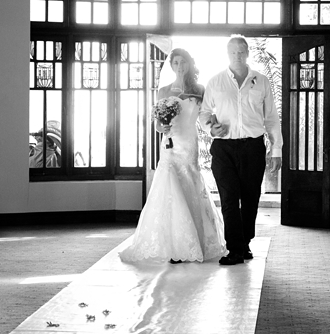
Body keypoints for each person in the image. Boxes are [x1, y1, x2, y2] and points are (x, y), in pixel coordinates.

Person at [119, 48, 225, 264]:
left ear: (189, 64)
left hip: (189, 142)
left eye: (183, 62)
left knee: (190, 182)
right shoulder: (164, 90)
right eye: (176, 63)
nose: (180, 66)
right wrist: (162, 127)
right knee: (169, 184)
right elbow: (157, 123)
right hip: (170, 143)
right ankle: (172, 243)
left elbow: (206, 115)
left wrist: (215, 124)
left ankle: (196, 240)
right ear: (171, 65)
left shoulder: (200, 89)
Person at [199, 36, 282, 266]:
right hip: (223, 148)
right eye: (233, 52)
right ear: (228, 54)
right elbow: (204, 113)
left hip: (253, 147)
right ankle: (234, 248)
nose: (238, 55)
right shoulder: (215, 82)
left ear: (247, 53)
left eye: (241, 51)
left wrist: (276, 150)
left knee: (251, 198)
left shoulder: (261, 81)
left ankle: (245, 242)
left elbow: (272, 117)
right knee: (228, 198)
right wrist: (210, 129)